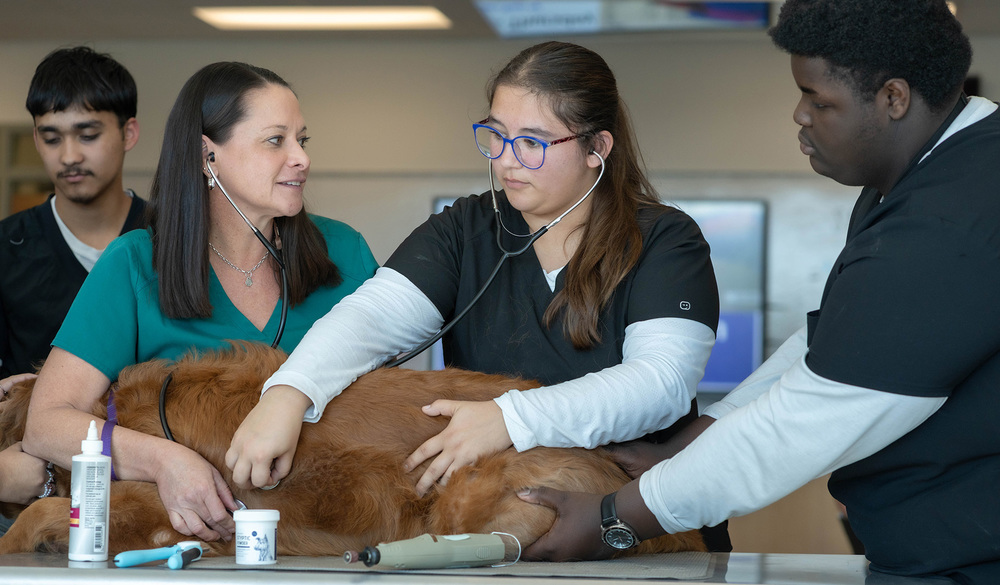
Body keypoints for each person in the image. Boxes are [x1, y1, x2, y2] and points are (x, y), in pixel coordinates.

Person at [518, 1, 1000, 582]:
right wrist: (691, 443)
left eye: (819, 100)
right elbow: (833, 345)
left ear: (893, 99)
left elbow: (814, 415)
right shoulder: (920, 182)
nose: (800, 114)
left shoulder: (953, 218)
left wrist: (615, 519)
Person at [226, 41, 727, 548]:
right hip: (501, 526)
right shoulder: (465, 229)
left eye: (533, 142)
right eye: (496, 135)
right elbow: (372, 317)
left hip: (642, 522)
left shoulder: (665, 240)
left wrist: (509, 418)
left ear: (597, 147)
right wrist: (290, 393)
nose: (506, 161)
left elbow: (660, 385)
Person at [20, 62, 378, 542]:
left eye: (302, 140)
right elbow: (46, 425)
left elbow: (390, 405)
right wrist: (166, 461)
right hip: (185, 544)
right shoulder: (134, 263)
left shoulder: (347, 253)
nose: (301, 159)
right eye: (276, 141)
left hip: (334, 533)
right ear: (207, 154)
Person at [0, 46, 145, 532]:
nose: (69, 156)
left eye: (88, 134)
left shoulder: (174, 244)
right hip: (26, 493)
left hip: (151, 485)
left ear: (128, 133)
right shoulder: (6, 249)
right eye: (51, 137)